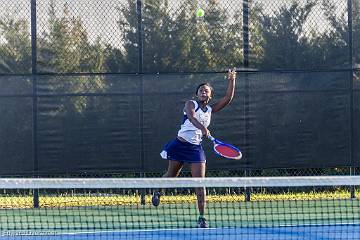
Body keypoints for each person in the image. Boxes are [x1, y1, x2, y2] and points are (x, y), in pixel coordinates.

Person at [152, 68, 237, 228]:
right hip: (179, 145)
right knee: (171, 177)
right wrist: (203, 129)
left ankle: (201, 218)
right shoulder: (191, 104)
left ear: (210, 95)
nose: (203, 92)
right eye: (201, 90)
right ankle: (158, 189)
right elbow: (191, 117)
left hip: (195, 149)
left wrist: (232, 80)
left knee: (200, 183)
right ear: (197, 94)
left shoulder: (211, 109)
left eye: (206, 91)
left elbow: (227, 98)